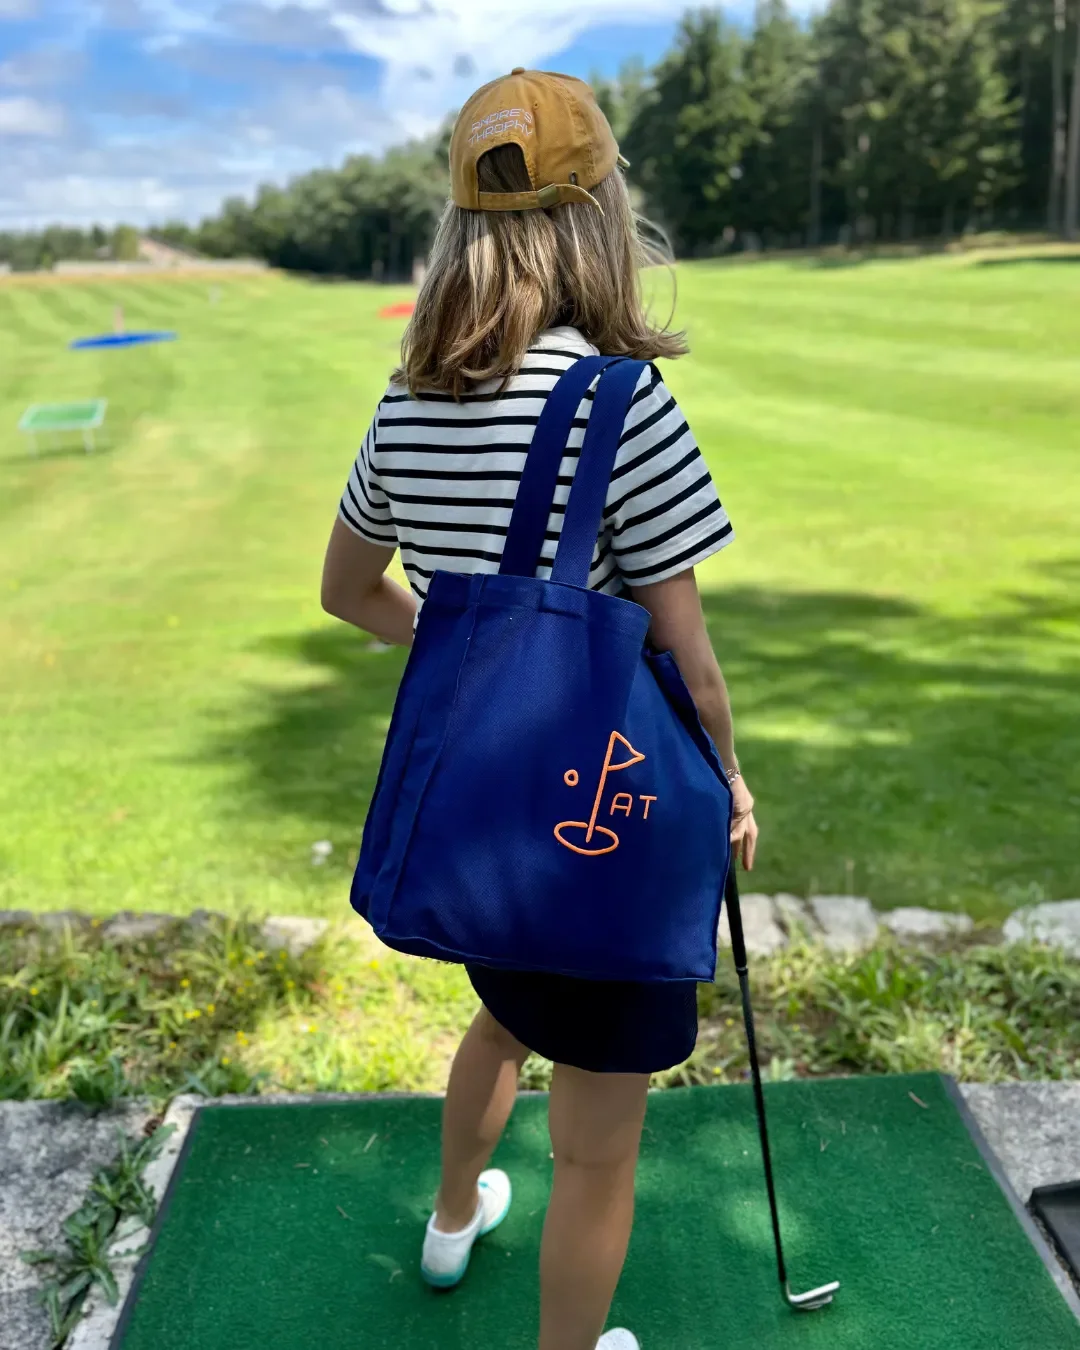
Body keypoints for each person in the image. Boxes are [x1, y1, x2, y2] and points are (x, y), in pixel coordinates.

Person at [321, 67, 758, 1350]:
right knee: (600, 1152)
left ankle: (451, 1220)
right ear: (602, 213)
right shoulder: (625, 407)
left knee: (505, 1013)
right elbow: (686, 658)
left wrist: (467, 654)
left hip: (489, 828)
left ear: (465, 223)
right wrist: (729, 778)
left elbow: (352, 591)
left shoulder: (409, 399)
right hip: (603, 831)